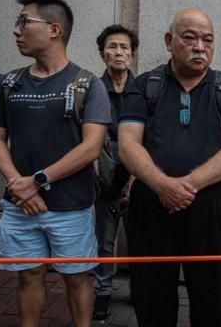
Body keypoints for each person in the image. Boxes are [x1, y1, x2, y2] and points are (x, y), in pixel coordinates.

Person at [117, 7, 221, 326]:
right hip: (151, 205)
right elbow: (128, 144)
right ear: (169, 40)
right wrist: (163, 186)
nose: (200, 47)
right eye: (190, 38)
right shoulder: (145, 86)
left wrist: (186, 185)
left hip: (210, 210)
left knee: (212, 297)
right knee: (151, 297)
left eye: (208, 39)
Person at [0, 0, 111, 327]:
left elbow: (91, 148)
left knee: (78, 277)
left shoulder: (87, 84)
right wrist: (18, 185)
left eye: (24, 21)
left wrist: (37, 181)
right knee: (29, 276)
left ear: (54, 29)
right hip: (20, 204)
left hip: (71, 205)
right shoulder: (9, 82)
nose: (16, 30)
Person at [92, 24, 138, 321]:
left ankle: (140, 290)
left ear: (132, 55)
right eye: (112, 47)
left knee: (141, 240)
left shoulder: (144, 89)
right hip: (104, 183)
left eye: (124, 47)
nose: (118, 52)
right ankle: (102, 294)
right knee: (104, 244)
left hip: (139, 181)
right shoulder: (93, 90)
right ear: (102, 53)